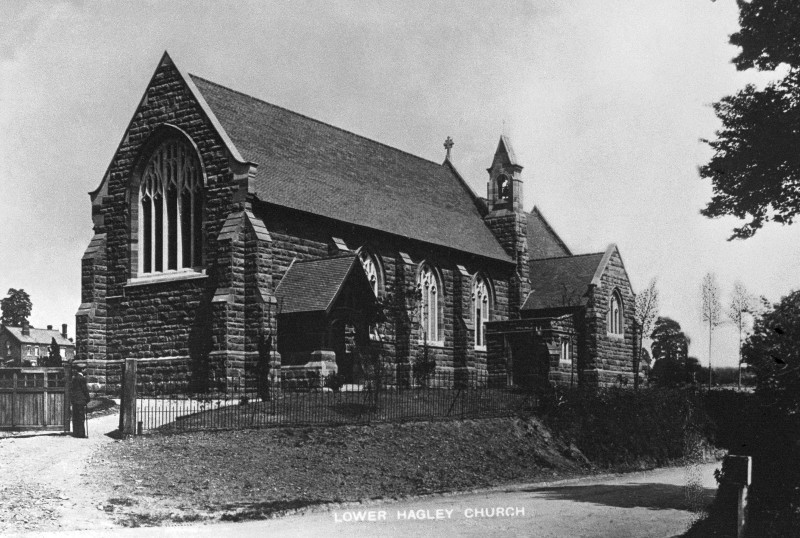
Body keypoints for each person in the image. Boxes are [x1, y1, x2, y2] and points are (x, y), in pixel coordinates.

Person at [71, 364, 90, 438]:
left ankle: (75, 432)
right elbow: (84, 390)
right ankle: (81, 434)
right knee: (81, 417)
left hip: (75, 399)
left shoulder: (74, 377)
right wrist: (88, 398)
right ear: (82, 370)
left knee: (75, 416)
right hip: (81, 399)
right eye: (85, 369)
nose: (85, 370)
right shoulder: (82, 378)